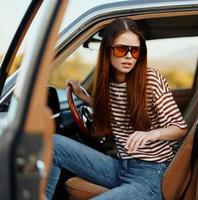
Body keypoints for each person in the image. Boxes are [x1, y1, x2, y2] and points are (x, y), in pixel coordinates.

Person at [46, 17, 187, 200]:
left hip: (150, 176)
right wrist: (83, 97)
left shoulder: (150, 79)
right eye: (121, 49)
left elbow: (180, 128)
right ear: (108, 50)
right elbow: (114, 108)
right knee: (52, 143)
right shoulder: (110, 82)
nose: (129, 56)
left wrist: (150, 134)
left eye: (134, 51)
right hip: (122, 167)